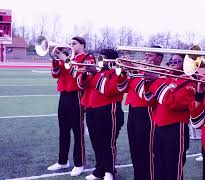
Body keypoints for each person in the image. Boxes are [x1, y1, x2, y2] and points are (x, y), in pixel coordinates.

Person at [48, 36, 95, 176]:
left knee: (78, 132)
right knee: (63, 131)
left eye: (74, 43)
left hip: (78, 96)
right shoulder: (67, 57)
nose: (71, 45)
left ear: (82, 45)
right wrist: (55, 61)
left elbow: (81, 75)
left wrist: (66, 59)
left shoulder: (88, 57)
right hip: (64, 96)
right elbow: (55, 75)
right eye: (70, 43)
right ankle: (63, 161)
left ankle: (79, 163)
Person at [144, 53, 195, 180]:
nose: (172, 64)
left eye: (176, 62)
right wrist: (148, 83)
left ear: (186, 64)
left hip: (176, 129)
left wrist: (156, 81)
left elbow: (174, 103)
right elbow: (150, 101)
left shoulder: (190, 81)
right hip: (159, 126)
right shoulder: (166, 78)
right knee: (159, 167)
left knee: (173, 169)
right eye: (171, 62)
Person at [117, 45, 163, 180]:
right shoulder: (138, 71)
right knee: (135, 149)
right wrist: (124, 72)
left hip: (148, 113)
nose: (146, 57)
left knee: (147, 151)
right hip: (133, 112)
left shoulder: (159, 73)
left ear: (159, 58)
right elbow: (121, 88)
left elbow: (146, 95)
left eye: (150, 55)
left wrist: (135, 69)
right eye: (146, 54)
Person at [77, 49, 125, 180]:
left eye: (103, 58)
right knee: (96, 142)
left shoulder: (116, 72)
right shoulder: (96, 71)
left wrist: (94, 73)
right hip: (91, 109)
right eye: (100, 57)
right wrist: (86, 74)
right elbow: (80, 85)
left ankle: (110, 171)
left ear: (111, 60)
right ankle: (99, 170)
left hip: (110, 110)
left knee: (108, 143)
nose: (100, 60)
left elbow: (109, 90)